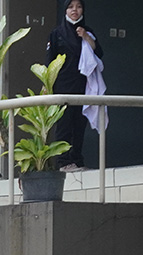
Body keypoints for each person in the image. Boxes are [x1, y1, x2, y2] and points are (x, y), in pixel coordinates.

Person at [47, 0, 102, 171]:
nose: (74, 10)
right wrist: (48, 85)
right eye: (70, 7)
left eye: (78, 6)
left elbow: (99, 53)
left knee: (79, 124)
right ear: (65, 10)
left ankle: (77, 159)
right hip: (63, 86)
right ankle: (63, 162)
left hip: (83, 84)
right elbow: (50, 62)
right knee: (64, 124)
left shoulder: (88, 31)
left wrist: (85, 36)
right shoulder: (56, 33)